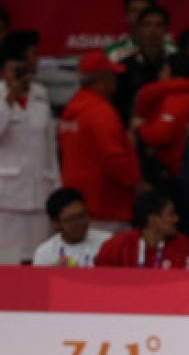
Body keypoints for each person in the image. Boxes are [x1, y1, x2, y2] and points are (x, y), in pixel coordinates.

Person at [134, 52, 189, 264]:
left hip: (176, 173)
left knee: (184, 226)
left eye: (163, 69)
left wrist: (140, 128)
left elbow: (161, 134)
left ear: (170, 71)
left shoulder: (177, 98)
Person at [59, 51, 141, 235]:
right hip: (108, 203)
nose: (116, 80)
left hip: (79, 201)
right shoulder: (101, 112)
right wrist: (136, 182)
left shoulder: (71, 110)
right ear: (102, 78)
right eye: (112, 75)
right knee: (110, 258)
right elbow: (114, 159)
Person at [0, 31, 58, 262]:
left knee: (38, 262)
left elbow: (50, 148)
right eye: (32, 54)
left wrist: (56, 188)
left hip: (40, 195)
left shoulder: (41, 94)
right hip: (6, 201)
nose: (36, 60)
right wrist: (10, 97)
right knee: (6, 263)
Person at [95, 190, 189, 269]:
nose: (176, 219)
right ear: (153, 219)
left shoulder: (183, 245)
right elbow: (101, 278)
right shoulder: (118, 246)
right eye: (171, 214)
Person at [113, 5, 172, 126]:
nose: (153, 30)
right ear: (138, 29)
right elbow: (117, 106)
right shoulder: (124, 67)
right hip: (133, 132)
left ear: (166, 30)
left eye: (159, 25)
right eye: (147, 25)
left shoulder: (177, 63)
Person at [32, 188, 110, 267]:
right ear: (56, 224)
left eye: (82, 215)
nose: (79, 222)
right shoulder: (45, 252)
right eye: (71, 219)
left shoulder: (108, 243)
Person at [105, 0, 174, 63]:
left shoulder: (173, 50)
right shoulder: (112, 53)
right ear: (126, 16)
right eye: (134, 10)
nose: (139, 15)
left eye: (144, 10)